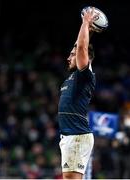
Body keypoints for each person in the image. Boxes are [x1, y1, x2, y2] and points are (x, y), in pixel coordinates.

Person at [58, 8, 97, 179]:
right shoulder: (74, 77)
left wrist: (85, 22)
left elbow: (81, 48)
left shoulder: (85, 76)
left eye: (72, 55)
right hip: (70, 136)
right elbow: (78, 45)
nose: (69, 57)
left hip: (76, 136)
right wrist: (86, 30)